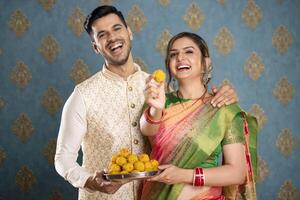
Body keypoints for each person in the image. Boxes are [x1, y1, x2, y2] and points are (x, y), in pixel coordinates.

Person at [54, 6, 240, 200]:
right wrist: (91, 181)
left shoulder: (158, 89)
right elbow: (63, 159)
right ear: (95, 46)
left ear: (129, 32)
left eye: (117, 28)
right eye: (102, 35)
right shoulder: (83, 95)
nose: (112, 38)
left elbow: (190, 125)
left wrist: (223, 98)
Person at [140, 32, 258, 200]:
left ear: (205, 64)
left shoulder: (223, 109)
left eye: (189, 52)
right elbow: (147, 130)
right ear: (169, 65)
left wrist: (184, 175)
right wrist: (156, 107)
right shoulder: (160, 102)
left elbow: (237, 173)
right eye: (173, 54)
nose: (180, 57)